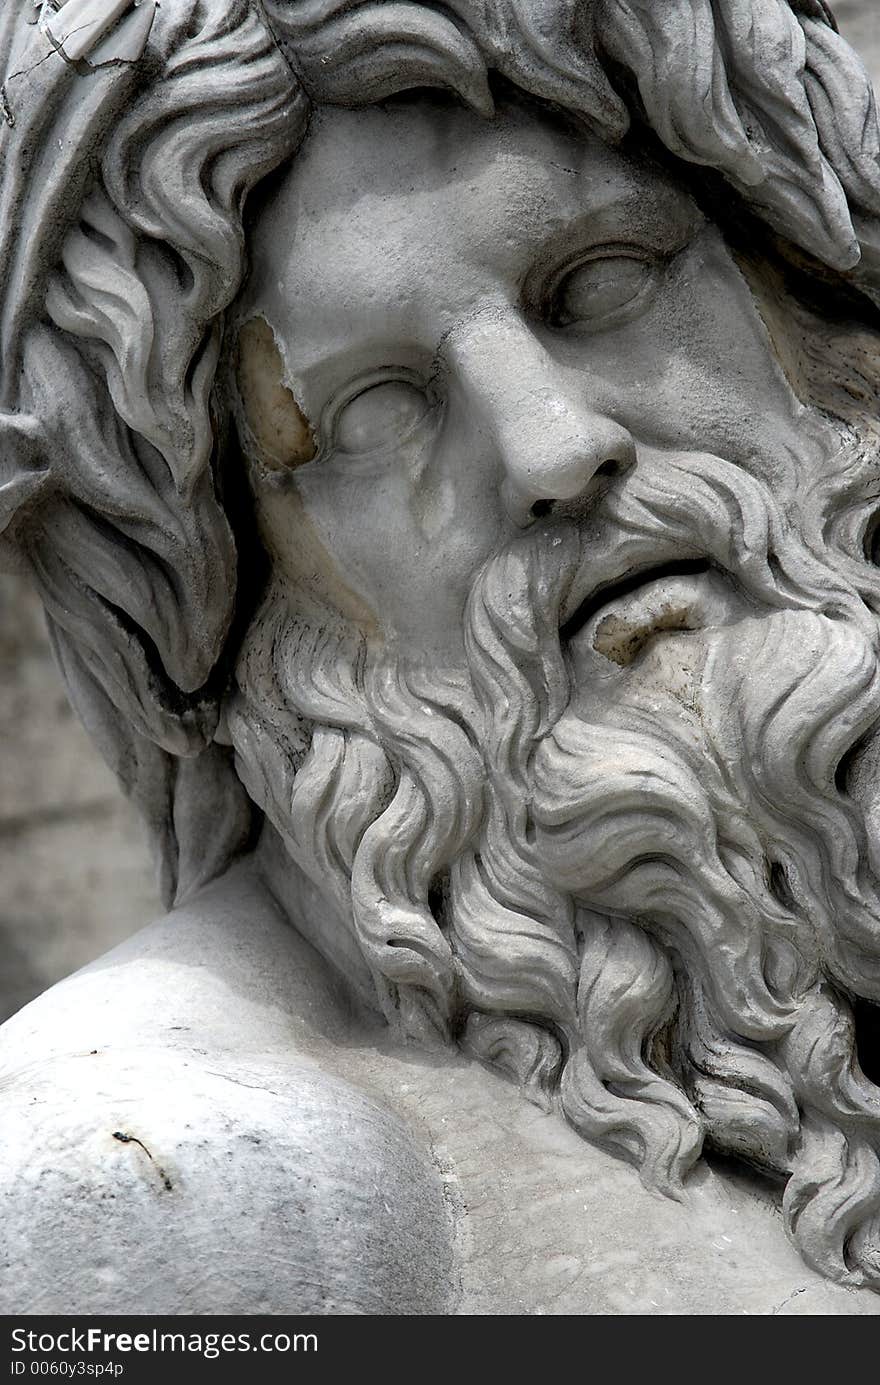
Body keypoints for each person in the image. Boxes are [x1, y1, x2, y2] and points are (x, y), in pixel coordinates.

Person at [2, 0, 880, 1314]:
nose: (549, 449)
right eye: (375, 411)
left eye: (602, 284)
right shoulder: (167, 1183)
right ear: (227, 581)